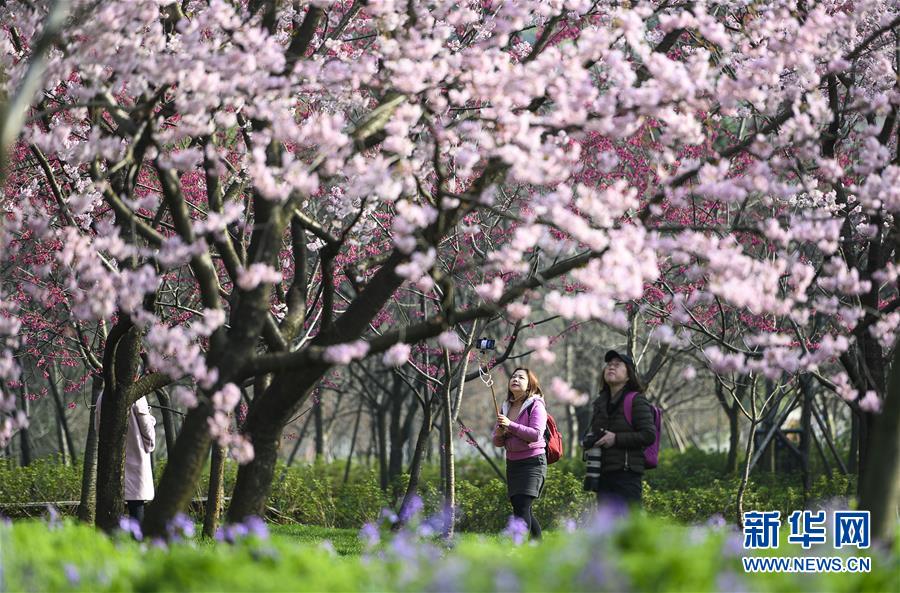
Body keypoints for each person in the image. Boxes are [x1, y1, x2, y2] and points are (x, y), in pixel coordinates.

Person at [584, 350, 656, 507]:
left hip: (627, 474)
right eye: (609, 365)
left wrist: (616, 439)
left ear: (629, 375)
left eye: (617, 365)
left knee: (630, 528)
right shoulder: (600, 403)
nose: (611, 367)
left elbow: (649, 435)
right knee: (607, 529)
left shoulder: (636, 400)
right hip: (602, 474)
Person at [492, 367, 547, 540]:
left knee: (522, 506)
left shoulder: (536, 405)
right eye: (514, 376)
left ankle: (518, 550)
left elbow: (535, 434)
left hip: (532, 462)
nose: (515, 379)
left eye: (521, 377)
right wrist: (500, 434)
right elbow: (497, 441)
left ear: (530, 384)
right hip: (513, 463)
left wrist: (511, 425)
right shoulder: (506, 407)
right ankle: (537, 547)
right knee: (520, 507)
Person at [95, 395, 156, 521]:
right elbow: (147, 431)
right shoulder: (137, 396)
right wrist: (152, 421)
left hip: (111, 458)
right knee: (136, 502)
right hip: (136, 457)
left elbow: (98, 428)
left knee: (113, 505)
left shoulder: (102, 397)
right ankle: (137, 539)